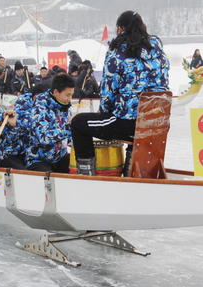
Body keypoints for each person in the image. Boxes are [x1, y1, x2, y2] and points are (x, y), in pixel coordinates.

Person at [70, 11, 169, 176]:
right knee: (134, 117)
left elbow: (108, 92)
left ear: (120, 29)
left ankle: (86, 174)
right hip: (158, 122)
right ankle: (131, 169)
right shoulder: (158, 51)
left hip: (129, 124)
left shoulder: (117, 53)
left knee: (78, 123)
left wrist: (103, 114)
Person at [21, 73, 75, 173]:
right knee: (50, 179)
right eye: (68, 95)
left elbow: (67, 138)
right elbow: (44, 138)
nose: (70, 98)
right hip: (38, 159)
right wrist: (69, 128)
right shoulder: (40, 109)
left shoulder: (64, 107)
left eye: (71, 95)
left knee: (78, 166)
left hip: (59, 157)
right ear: (56, 92)